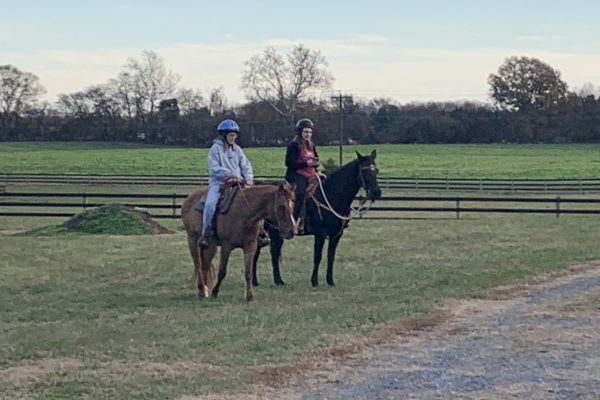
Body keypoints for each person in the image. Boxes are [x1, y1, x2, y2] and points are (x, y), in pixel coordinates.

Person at [199, 118, 254, 248]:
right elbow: (213, 168)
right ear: (224, 135)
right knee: (210, 204)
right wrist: (228, 173)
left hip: (238, 183)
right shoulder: (215, 149)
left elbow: (246, 165)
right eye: (230, 135)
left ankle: (260, 233)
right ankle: (206, 233)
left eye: (234, 135)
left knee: (254, 202)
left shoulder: (238, 150)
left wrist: (249, 178)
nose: (233, 138)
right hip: (219, 183)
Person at [285, 118, 320, 225]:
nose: (308, 134)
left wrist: (316, 167)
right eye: (305, 132)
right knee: (300, 194)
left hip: (311, 174)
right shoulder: (293, 145)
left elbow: (315, 158)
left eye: (310, 132)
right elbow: (289, 163)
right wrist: (306, 164)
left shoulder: (311, 145)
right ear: (300, 132)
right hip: (297, 175)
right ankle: (294, 221)